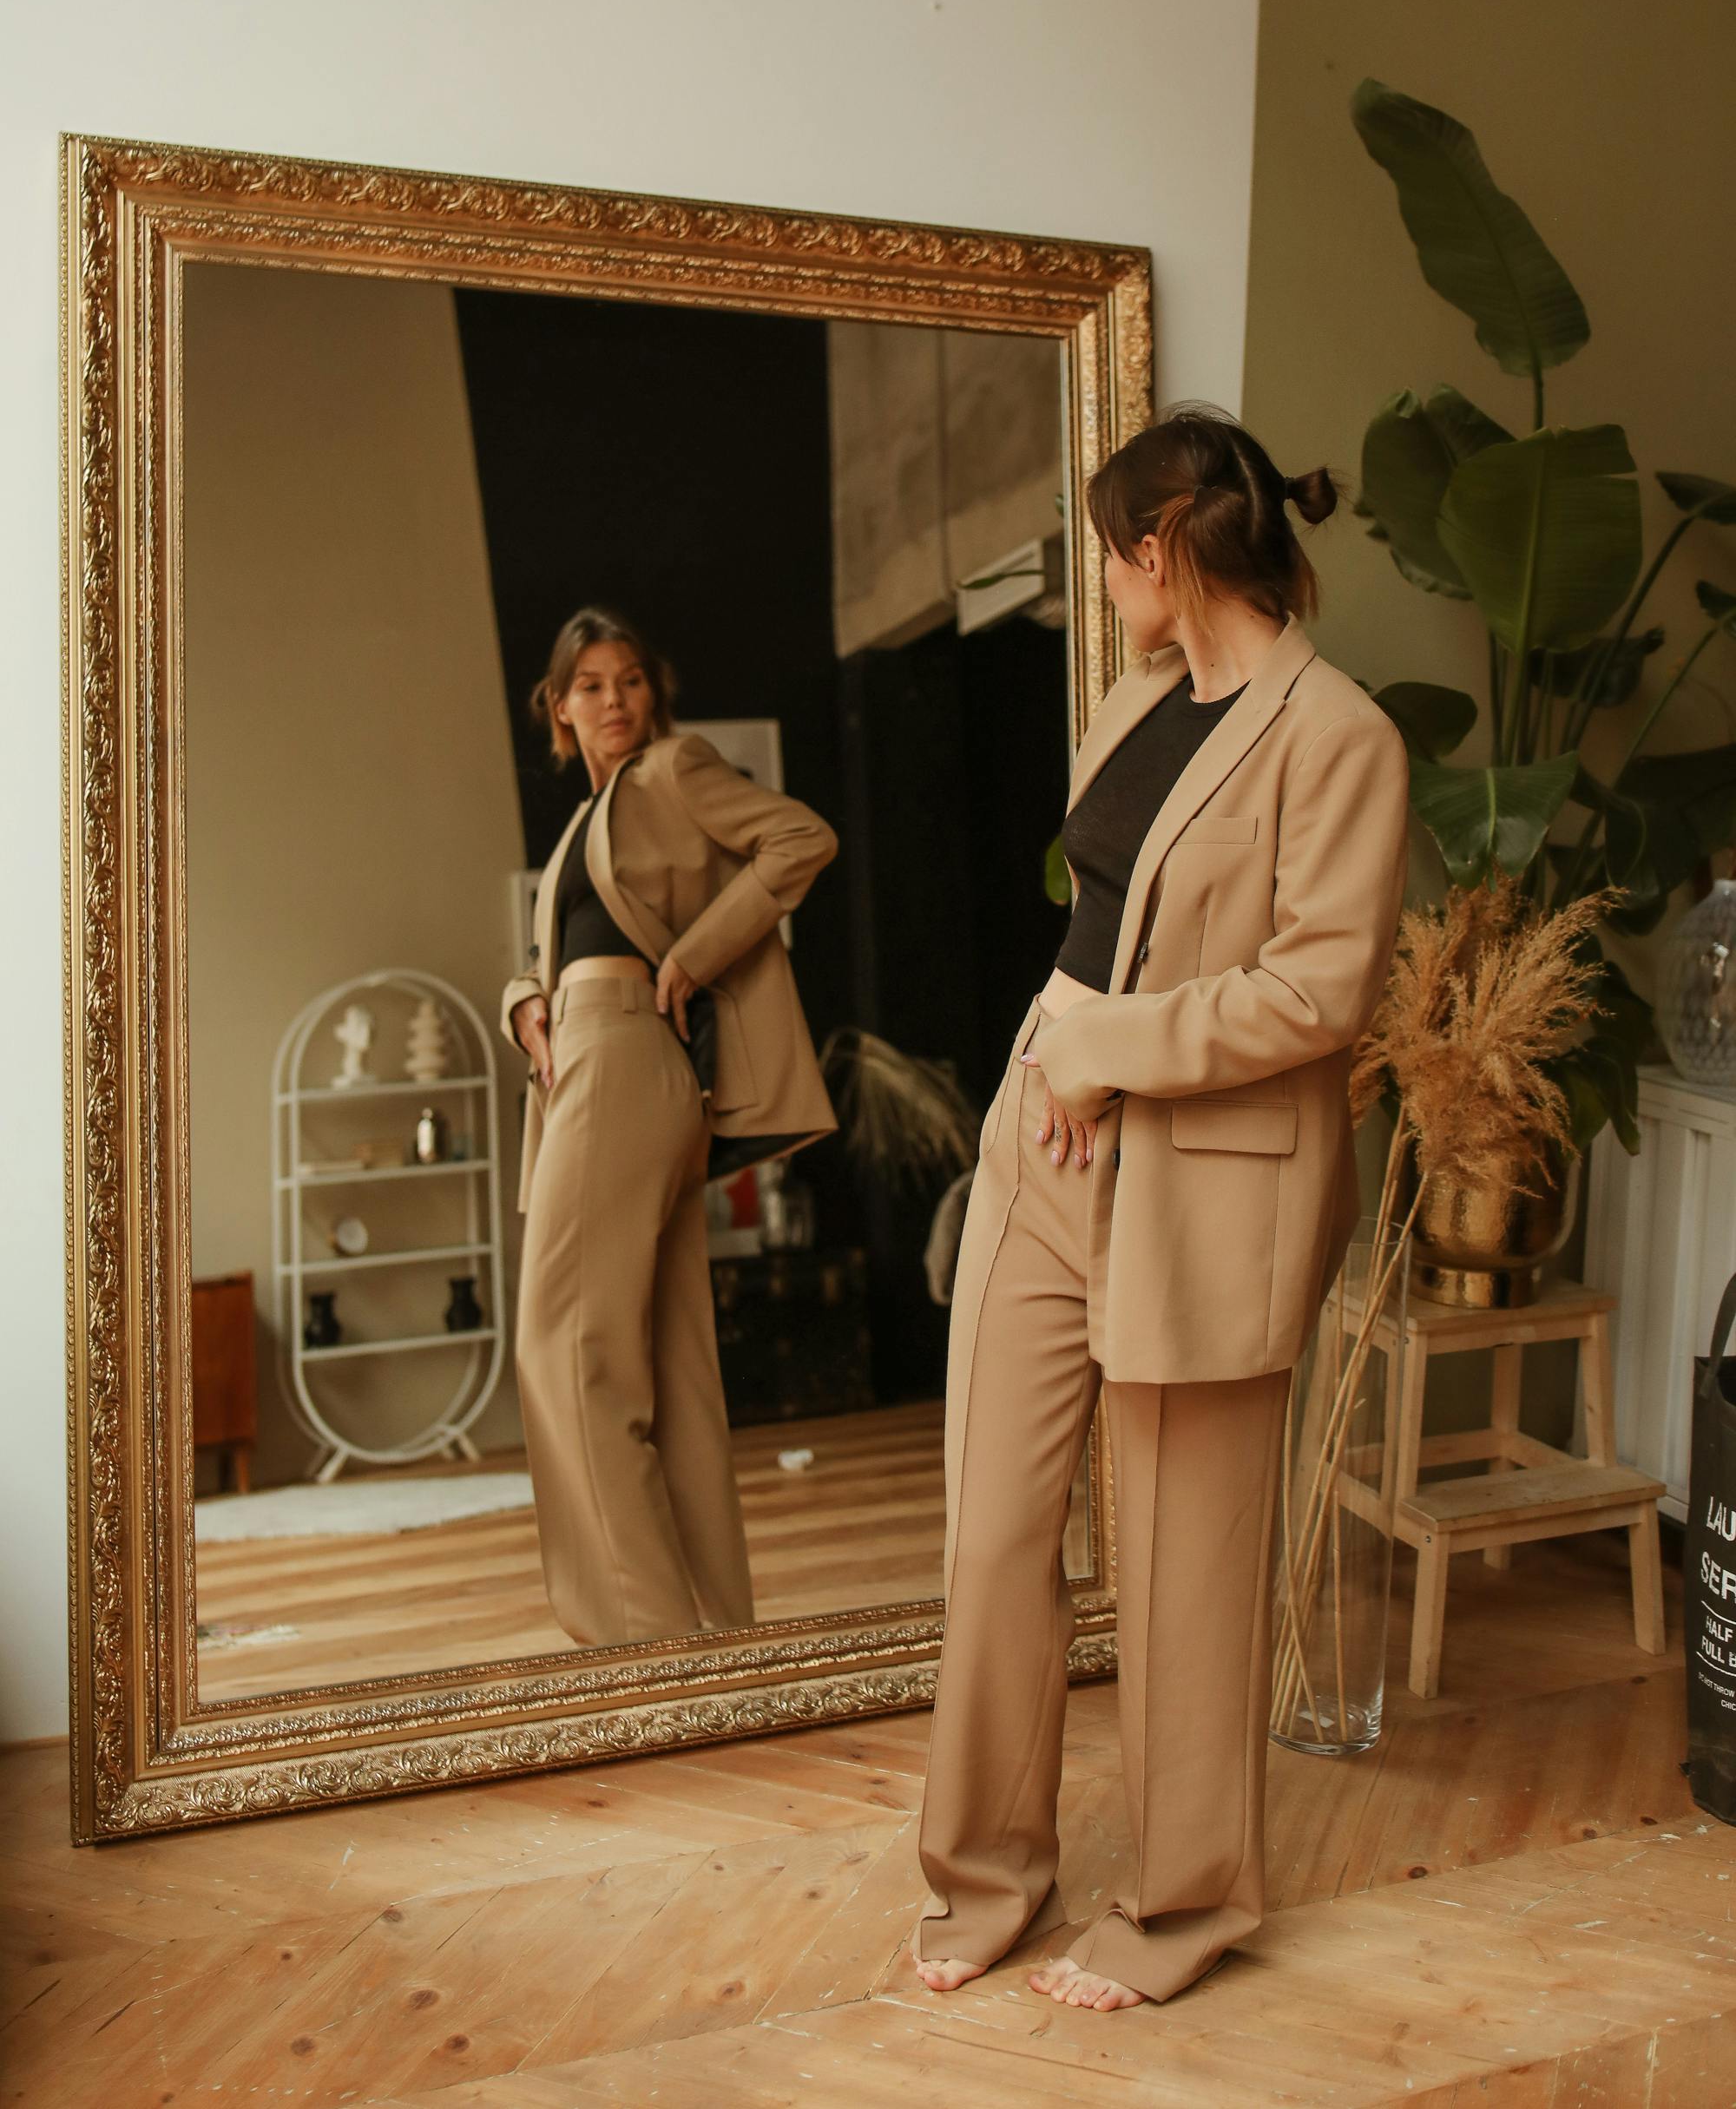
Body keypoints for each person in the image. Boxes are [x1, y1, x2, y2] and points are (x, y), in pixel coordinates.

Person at [910, 407, 1410, 2010]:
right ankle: (985, 1873)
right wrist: (1045, 1059)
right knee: (995, 1529)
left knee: (1191, 1569)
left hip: (1199, 1190)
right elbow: (1108, 918)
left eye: (1110, 546)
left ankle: (1180, 1907)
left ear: (1164, 549)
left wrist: (1109, 1057)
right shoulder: (1132, 703)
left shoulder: (1342, 736)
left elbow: (1320, 991)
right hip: (1038, 1142)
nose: (1102, 574)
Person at [500, 607, 837, 1646]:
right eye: (590, 686)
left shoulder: (670, 770)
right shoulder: (580, 825)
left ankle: (641, 1645)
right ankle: (709, 1633)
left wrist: (693, 954)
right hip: (600, 1066)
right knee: (663, 1359)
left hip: (624, 1061)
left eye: (630, 679)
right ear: (558, 709)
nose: (615, 700)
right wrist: (522, 999)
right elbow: (559, 946)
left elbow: (801, 837)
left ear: (654, 692)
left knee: (565, 1347)